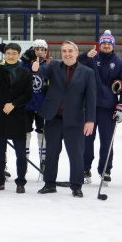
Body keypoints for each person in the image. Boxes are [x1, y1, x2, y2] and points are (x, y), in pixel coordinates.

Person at [33, 41, 96, 198]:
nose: (67, 54)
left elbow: (91, 98)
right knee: (52, 153)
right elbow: (41, 71)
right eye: (64, 51)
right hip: (53, 118)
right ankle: (49, 184)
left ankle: (76, 186)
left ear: (76, 52)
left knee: (76, 154)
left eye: (70, 51)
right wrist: (36, 68)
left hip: (75, 119)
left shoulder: (87, 72)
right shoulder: (54, 66)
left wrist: (90, 120)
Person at [77, 30, 122, 183]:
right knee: (87, 140)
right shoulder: (91, 58)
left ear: (113, 45)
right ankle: (85, 168)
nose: (106, 45)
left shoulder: (120, 63)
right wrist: (86, 55)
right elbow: (75, 63)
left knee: (106, 141)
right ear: (100, 45)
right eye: (104, 43)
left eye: (109, 43)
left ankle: (105, 169)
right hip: (89, 107)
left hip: (108, 108)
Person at [0, 42, 33, 193]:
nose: (11, 56)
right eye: (8, 53)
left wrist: (14, 104)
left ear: (18, 55)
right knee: (0, 150)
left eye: (14, 53)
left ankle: (21, 182)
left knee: (20, 152)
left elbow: (28, 94)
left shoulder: (26, 72)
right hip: (0, 114)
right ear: (4, 55)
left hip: (17, 115)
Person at [20, 39, 49, 172]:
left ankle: (44, 160)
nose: (39, 52)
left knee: (42, 134)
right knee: (25, 133)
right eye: (37, 49)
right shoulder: (25, 65)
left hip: (42, 106)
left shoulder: (48, 67)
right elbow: (19, 75)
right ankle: (24, 160)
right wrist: (24, 61)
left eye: (42, 50)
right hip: (26, 106)